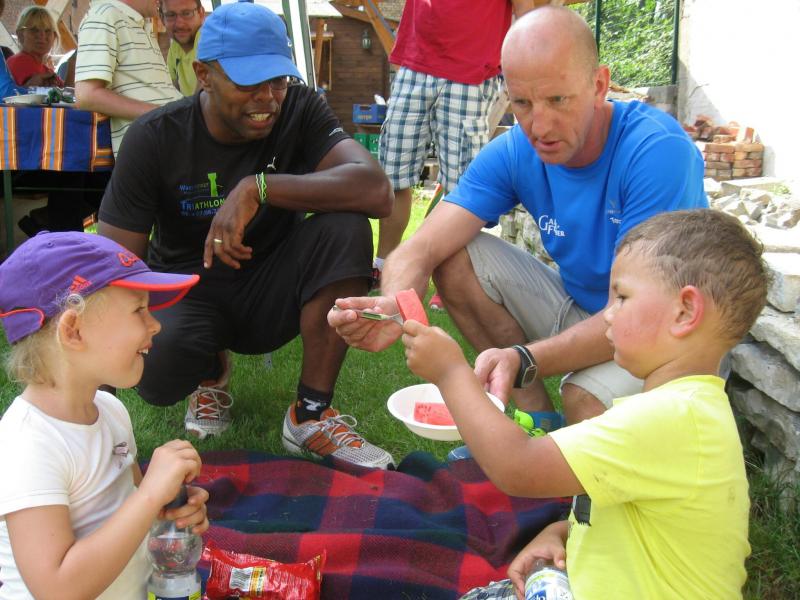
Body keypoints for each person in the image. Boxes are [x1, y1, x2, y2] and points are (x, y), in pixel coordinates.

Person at [330, 6, 708, 443]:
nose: (540, 126)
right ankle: (538, 423)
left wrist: (523, 358)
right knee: (454, 255)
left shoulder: (654, 152)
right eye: (522, 103)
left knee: (585, 400)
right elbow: (421, 248)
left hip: (666, 328)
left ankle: (561, 463)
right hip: (586, 307)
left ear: (599, 85)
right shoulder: (515, 151)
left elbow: (640, 313)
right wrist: (395, 304)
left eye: (558, 100)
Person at [402, 209, 765, 599]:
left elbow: (518, 467)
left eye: (621, 297)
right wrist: (561, 532)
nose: (606, 316)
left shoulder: (672, 418)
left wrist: (450, 373)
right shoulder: (686, 410)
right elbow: (638, 518)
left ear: (685, 311)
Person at [96, 2, 395, 469]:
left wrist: (259, 188)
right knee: (156, 374)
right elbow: (111, 269)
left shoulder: (299, 108)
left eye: (277, 81)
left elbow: (376, 190)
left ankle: (310, 414)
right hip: (187, 290)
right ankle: (208, 372)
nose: (267, 99)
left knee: (346, 225)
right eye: (248, 83)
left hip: (273, 287)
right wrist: (93, 414)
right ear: (204, 75)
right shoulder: (155, 137)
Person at [0, 231, 209, 599]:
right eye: (138, 309)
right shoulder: (27, 443)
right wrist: (148, 498)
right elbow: (57, 588)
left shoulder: (110, 410)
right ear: (73, 331)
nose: (156, 324)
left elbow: (130, 511)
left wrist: (166, 508)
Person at [373, 0, 536, 292]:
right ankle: (383, 266)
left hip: (472, 71)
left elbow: (525, 10)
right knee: (393, 176)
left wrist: (527, 63)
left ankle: (443, 273)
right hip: (415, 61)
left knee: (461, 189)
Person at [74, 0, 182, 155]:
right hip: (151, 149)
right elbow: (86, 96)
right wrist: (163, 115)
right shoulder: (103, 16)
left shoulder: (140, 22)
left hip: (169, 140)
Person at [6, 6, 64, 87]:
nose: (42, 35)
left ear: (54, 36)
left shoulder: (46, 70)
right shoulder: (18, 62)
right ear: (20, 34)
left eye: (47, 30)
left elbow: (68, 92)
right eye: (34, 30)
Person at [161, 0, 204, 96]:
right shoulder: (175, 47)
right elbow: (172, 88)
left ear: (201, 13)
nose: (179, 24)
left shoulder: (206, 39)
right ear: (162, 19)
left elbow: (200, 96)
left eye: (187, 13)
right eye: (170, 15)